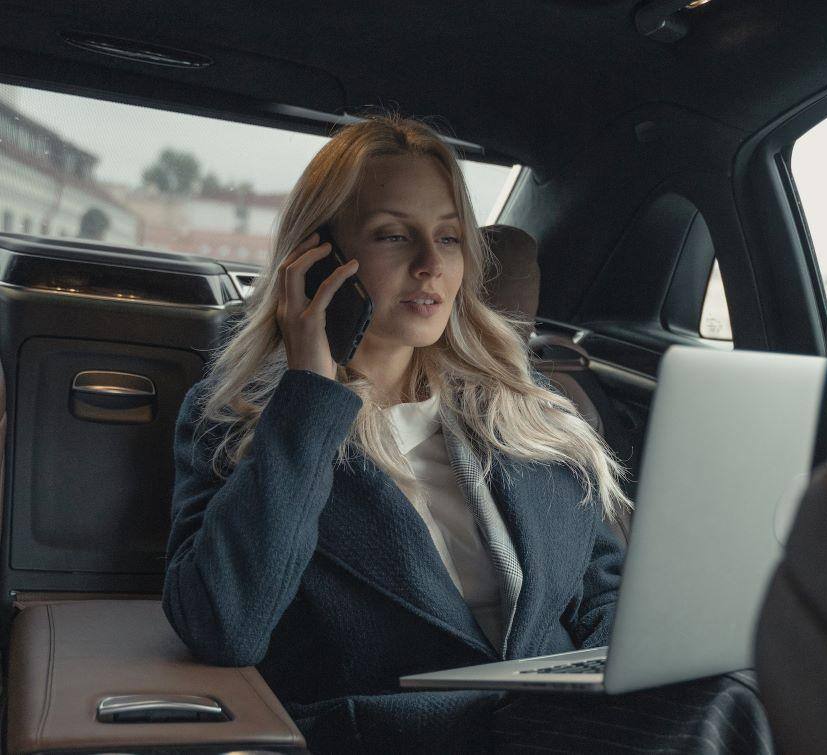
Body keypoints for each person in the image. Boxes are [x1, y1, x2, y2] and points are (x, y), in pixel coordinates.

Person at [162, 114, 772, 753]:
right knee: (727, 709)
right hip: (400, 731)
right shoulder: (243, 417)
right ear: (319, 257)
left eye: (449, 238)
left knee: (745, 684)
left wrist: (632, 666)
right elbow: (225, 625)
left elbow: (602, 590)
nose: (430, 265)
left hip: (565, 722)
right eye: (394, 236)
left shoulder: (525, 409)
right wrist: (310, 395)